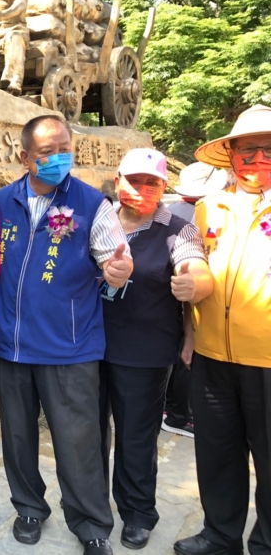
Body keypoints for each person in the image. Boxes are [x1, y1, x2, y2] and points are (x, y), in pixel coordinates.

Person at [0, 114, 134, 555]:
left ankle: (91, 524)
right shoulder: (1, 201)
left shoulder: (91, 204)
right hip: (10, 344)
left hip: (69, 347)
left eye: (64, 149)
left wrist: (118, 271)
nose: (58, 158)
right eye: (47, 152)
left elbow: (114, 261)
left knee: (78, 442)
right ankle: (29, 507)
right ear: (25, 157)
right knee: (17, 438)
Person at [98, 148, 212, 550]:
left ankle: (137, 512)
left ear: (164, 187)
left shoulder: (178, 230)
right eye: (134, 181)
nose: (142, 189)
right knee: (88, 434)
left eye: (153, 183)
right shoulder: (99, 221)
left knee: (136, 437)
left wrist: (193, 284)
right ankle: (91, 507)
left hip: (144, 352)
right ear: (118, 181)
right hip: (87, 345)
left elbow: (193, 267)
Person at [174, 104, 271, 555]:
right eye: (248, 151)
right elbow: (195, 268)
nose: (257, 160)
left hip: (266, 358)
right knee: (218, 452)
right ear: (231, 154)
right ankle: (219, 535)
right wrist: (190, 335)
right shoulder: (208, 208)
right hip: (212, 355)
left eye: (268, 150)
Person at [163, 162, 229, 438]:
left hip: (176, 298)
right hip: (192, 298)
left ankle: (172, 408)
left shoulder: (171, 210)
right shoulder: (201, 215)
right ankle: (178, 414)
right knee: (186, 356)